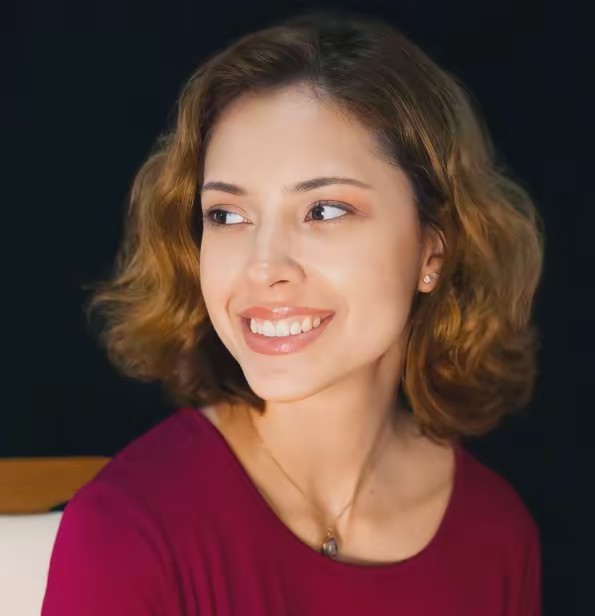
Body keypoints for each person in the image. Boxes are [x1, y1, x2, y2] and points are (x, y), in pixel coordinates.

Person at [42, 8, 544, 615]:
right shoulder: (126, 532)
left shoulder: (496, 534)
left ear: (431, 250)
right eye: (227, 215)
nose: (264, 266)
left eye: (324, 211)